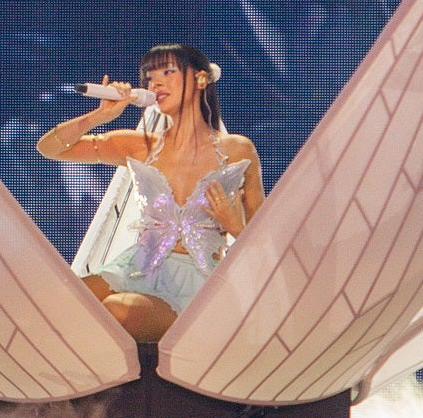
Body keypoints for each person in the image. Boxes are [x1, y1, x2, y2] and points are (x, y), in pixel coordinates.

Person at [35, 43, 265, 340]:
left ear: (200, 79)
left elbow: (265, 244)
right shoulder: (139, 144)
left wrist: (235, 226)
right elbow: (49, 149)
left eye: (167, 72)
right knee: (55, 304)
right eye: (150, 77)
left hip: (195, 282)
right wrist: (99, 116)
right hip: (135, 267)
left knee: (117, 310)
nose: (155, 83)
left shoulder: (238, 150)